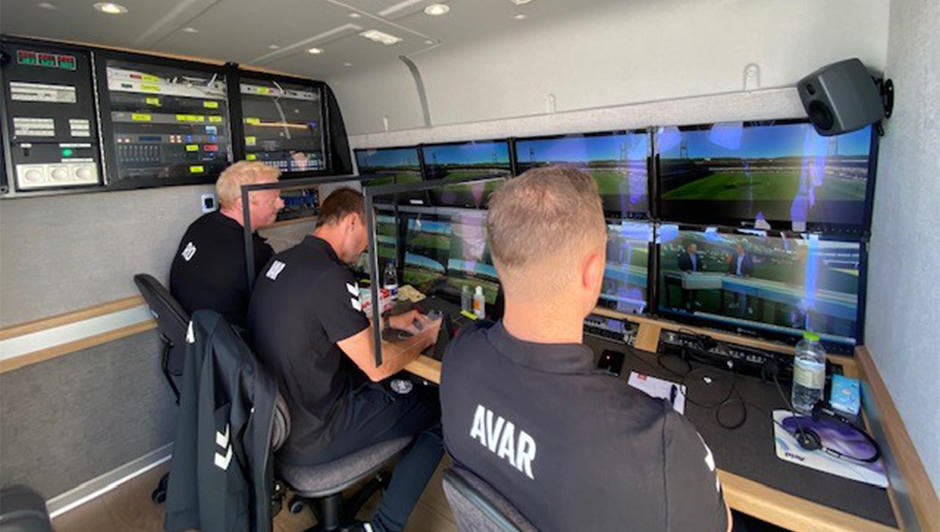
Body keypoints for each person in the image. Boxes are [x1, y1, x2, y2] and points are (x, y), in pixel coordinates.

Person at [440, 167, 730, 532]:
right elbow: (722, 524)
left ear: (498, 262)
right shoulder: (660, 444)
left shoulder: (458, 356)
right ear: (592, 272)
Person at [247, 188, 443, 532]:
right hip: (316, 433)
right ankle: (383, 526)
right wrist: (426, 336)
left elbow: (321, 324)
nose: (367, 246)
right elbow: (377, 367)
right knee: (439, 408)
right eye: (369, 233)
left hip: (278, 426)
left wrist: (389, 322)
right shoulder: (331, 276)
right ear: (353, 221)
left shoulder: (282, 262)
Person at [169, 161, 284, 328]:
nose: (281, 204)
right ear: (243, 203)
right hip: (233, 337)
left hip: (197, 331)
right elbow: (276, 311)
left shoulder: (201, 225)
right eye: (272, 200)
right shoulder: (253, 253)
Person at [726, 243, 755, 316]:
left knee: (747, 292)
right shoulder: (735, 256)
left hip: (744, 276)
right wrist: (728, 272)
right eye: (736, 248)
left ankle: (749, 306)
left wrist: (748, 274)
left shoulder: (747, 256)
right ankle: (736, 303)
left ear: (742, 249)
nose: (737, 249)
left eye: (739, 248)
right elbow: (732, 265)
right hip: (736, 276)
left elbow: (751, 267)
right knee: (736, 291)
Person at [678, 242, 705, 310]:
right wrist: (686, 270)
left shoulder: (697, 256)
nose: (695, 249)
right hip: (687, 275)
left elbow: (700, 264)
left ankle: (694, 301)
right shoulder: (683, 255)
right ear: (689, 248)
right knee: (686, 290)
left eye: (696, 248)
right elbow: (680, 265)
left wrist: (703, 266)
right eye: (694, 248)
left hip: (695, 275)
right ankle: (686, 302)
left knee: (695, 289)